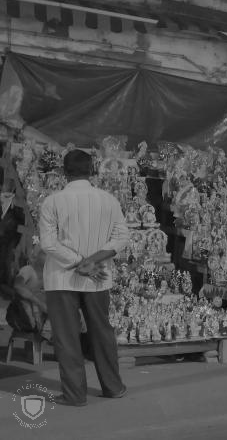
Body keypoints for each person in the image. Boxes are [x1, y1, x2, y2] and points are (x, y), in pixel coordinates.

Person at [39, 150, 129, 406]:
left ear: (63, 172)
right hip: (98, 277)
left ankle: (74, 394)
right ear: (92, 170)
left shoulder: (52, 201)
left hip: (61, 278)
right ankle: (113, 387)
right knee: (101, 332)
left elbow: (48, 244)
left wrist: (80, 262)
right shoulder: (108, 200)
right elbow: (122, 238)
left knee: (67, 336)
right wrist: (92, 260)